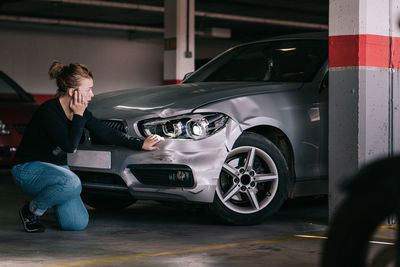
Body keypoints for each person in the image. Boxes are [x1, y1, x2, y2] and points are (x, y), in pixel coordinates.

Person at [11, 61, 164, 233]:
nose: (91, 95)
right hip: (28, 170)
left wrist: (140, 143)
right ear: (72, 92)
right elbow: (69, 146)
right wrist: (77, 115)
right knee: (72, 181)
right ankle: (31, 211)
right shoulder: (49, 111)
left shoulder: (83, 113)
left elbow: (105, 132)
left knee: (76, 224)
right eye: (88, 89)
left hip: (59, 172)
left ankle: (54, 196)